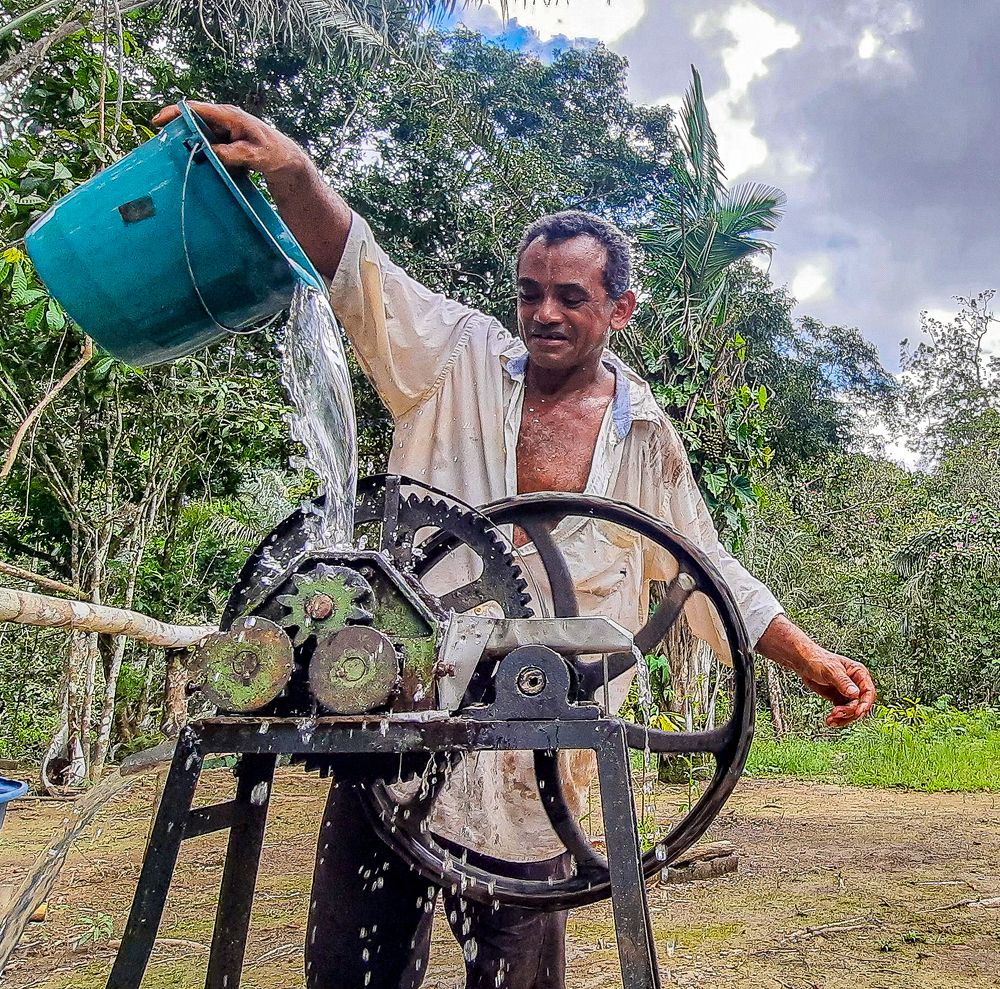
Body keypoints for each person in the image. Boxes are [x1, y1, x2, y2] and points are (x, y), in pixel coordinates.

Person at [153, 102, 878, 989]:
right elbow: (359, 269)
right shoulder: (454, 359)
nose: (543, 313)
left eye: (571, 297)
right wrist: (293, 171)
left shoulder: (642, 434)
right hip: (398, 723)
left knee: (519, 971)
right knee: (351, 966)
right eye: (530, 292)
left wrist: (807, 657)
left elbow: (705, 570)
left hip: (539, 752)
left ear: (620, 308)